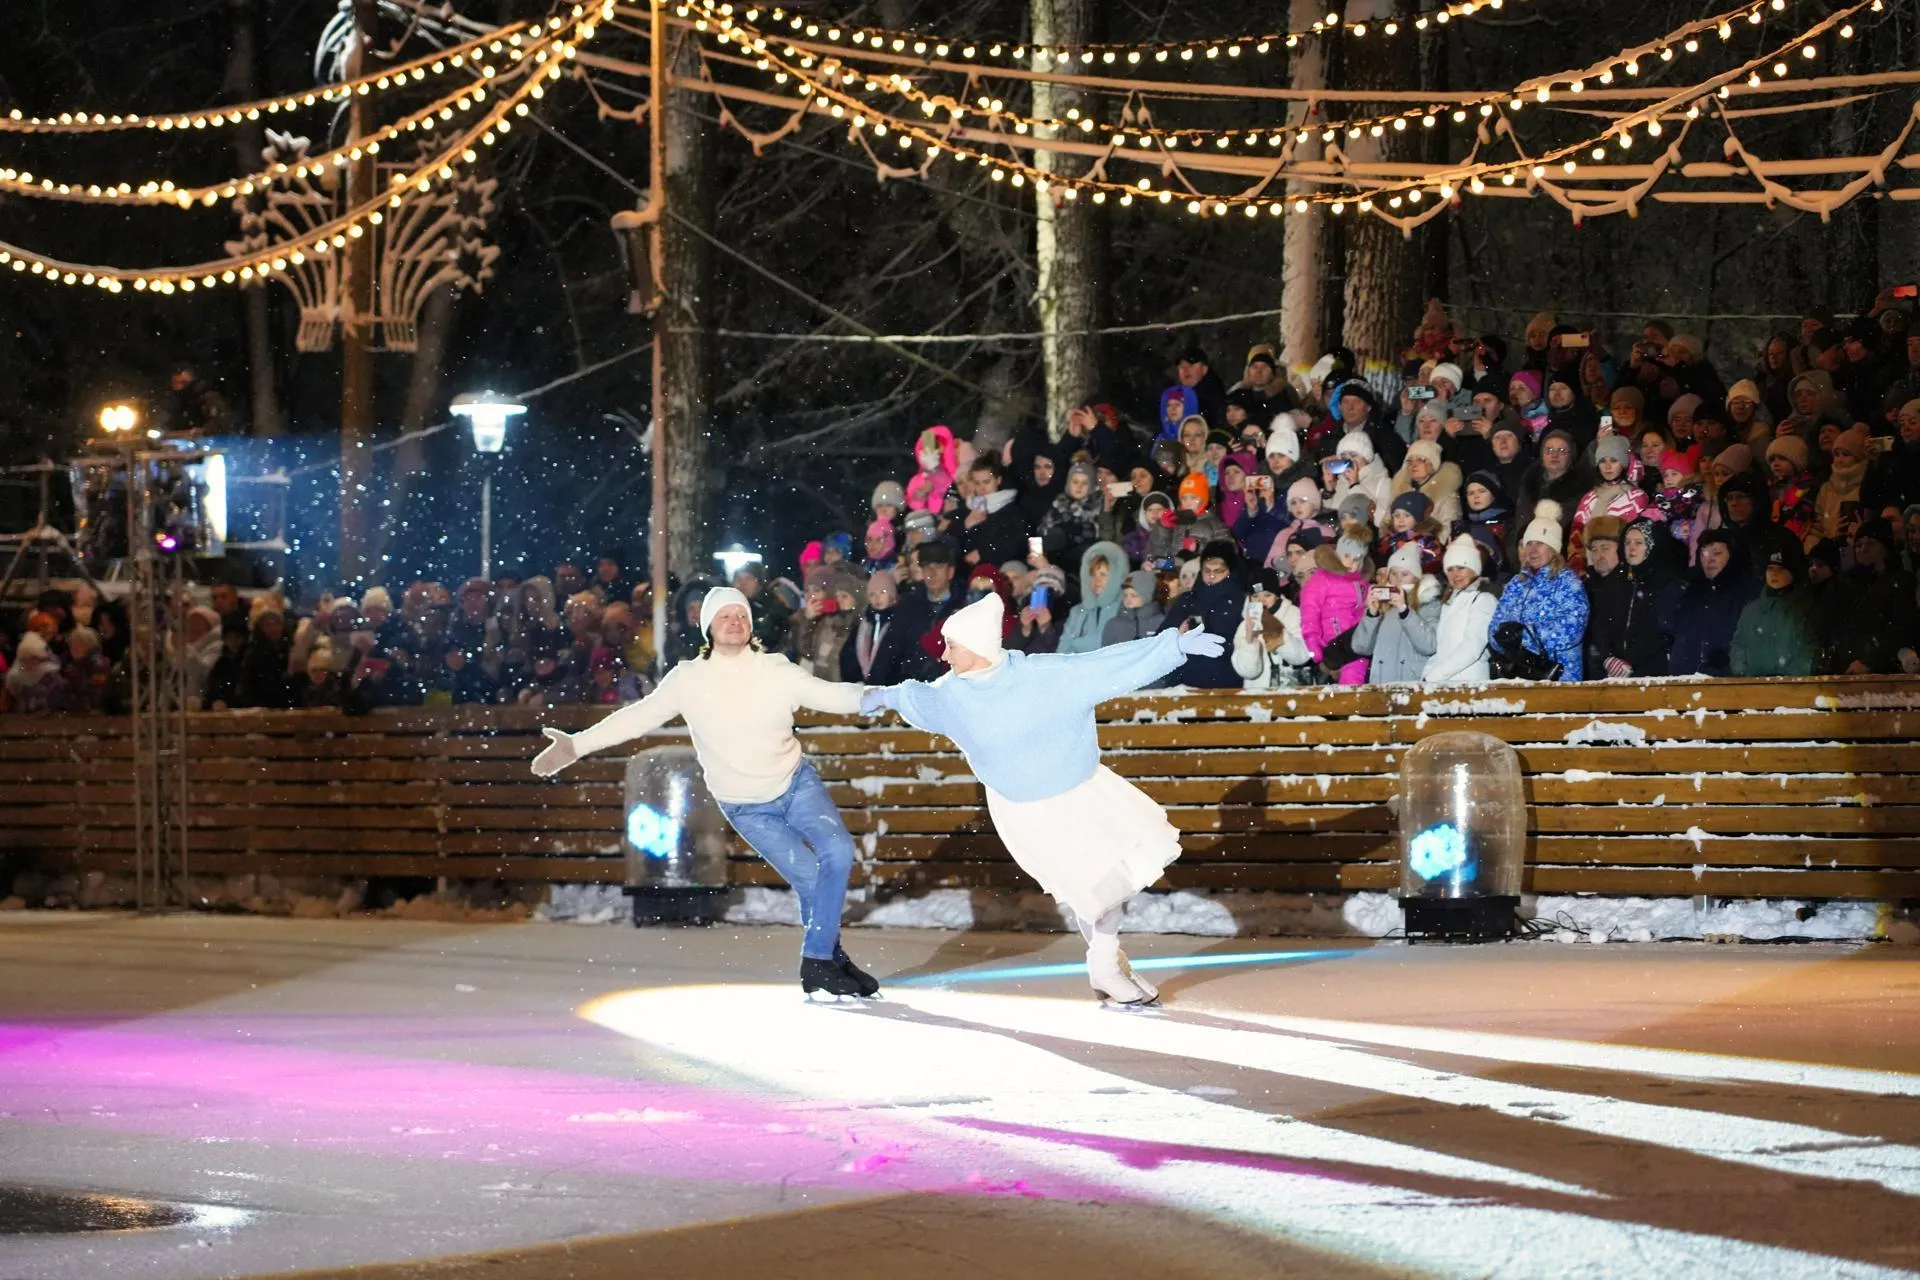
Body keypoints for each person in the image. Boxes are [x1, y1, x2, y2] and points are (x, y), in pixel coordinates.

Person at [860, 591, 1227, 1006]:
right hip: (1025, 812)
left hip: (1080, 795)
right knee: (1089, 893)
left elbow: (1104, 665)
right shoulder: (950, 694)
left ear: (978, 646)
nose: (943, 655)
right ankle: (1107, 964)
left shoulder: (1043, 675)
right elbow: (916, 696)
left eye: (953, 646)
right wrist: (883, 696)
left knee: (1105, 888)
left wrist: (1171, 647)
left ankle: (1106, 964)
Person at [532, 586, 880, 999]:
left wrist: (886, 696)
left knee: (838, 852)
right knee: (811, 878)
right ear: (708, 627)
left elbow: (831, 695)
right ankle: (827, 957)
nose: (735, 622)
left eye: (741, 615)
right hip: (747, 806)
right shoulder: (688, 679)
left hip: (796, 783)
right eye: (724, 616)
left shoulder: (775, 669)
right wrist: (577, 745)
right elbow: (638, 717)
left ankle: (819, 959)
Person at [1488, 501, 1589, 681]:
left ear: (1553, 548)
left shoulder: (1568, 582)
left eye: (1540, 544)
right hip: (1518, 677)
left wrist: (1523, 637)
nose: (1532, 550)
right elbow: (1496, 624)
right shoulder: (1517, 583)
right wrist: (1502, 638)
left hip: (1559, 679)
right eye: (1529, 543)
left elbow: (1571, 629)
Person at [1666, 530, 1758, 677]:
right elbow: (1666, 624)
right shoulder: (1689, 588)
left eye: (1717, 553)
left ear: (1732, 556)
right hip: (1683, 679)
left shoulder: (1746, 592)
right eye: (1704, 553)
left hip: (1728, 683)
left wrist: (1725, 663)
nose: (1709, 559)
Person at [1351, 544, 1441, 684]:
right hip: (1381, 685)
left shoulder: (1429, 604)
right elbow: (1360, 647)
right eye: (1393, 574)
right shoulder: (1382, 604)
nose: (1398, 580)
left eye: (1405, 574)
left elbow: (1429, 645)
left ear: (1416, 578)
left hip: (1412, 686)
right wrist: (1372, 614)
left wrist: (1405, 612)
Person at [1731, 545, 1817, 677]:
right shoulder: (1751, 610)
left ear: (1793, 573)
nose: (1774, 573)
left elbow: (1811, 649)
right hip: (1751, 690)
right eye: (1770, 568)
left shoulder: (1807, 608)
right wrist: (1744, 675)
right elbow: (1738, 644)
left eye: (1781, 569)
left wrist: (1788, 680)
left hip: (1794, 690)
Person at [1057, 541, 1128, 654]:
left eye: (1103, 574)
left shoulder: (1126, 608)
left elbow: (1110, 650)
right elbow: (1062, 652)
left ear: (1117, 575)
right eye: (1092, 574)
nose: (1097, 580)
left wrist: (1078, 644)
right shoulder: (1077, 612)